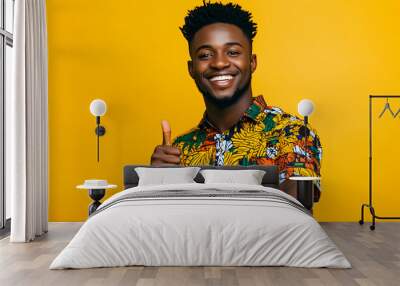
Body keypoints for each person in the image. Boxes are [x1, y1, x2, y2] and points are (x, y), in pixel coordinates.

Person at [150, 1, 322, 198]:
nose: (219, 63)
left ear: (252, 62)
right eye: (205, 55)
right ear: (191, 69)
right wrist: (156, 183)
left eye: (232, 52)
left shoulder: (293, 133)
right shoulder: (179, 149)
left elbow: (296, 209)